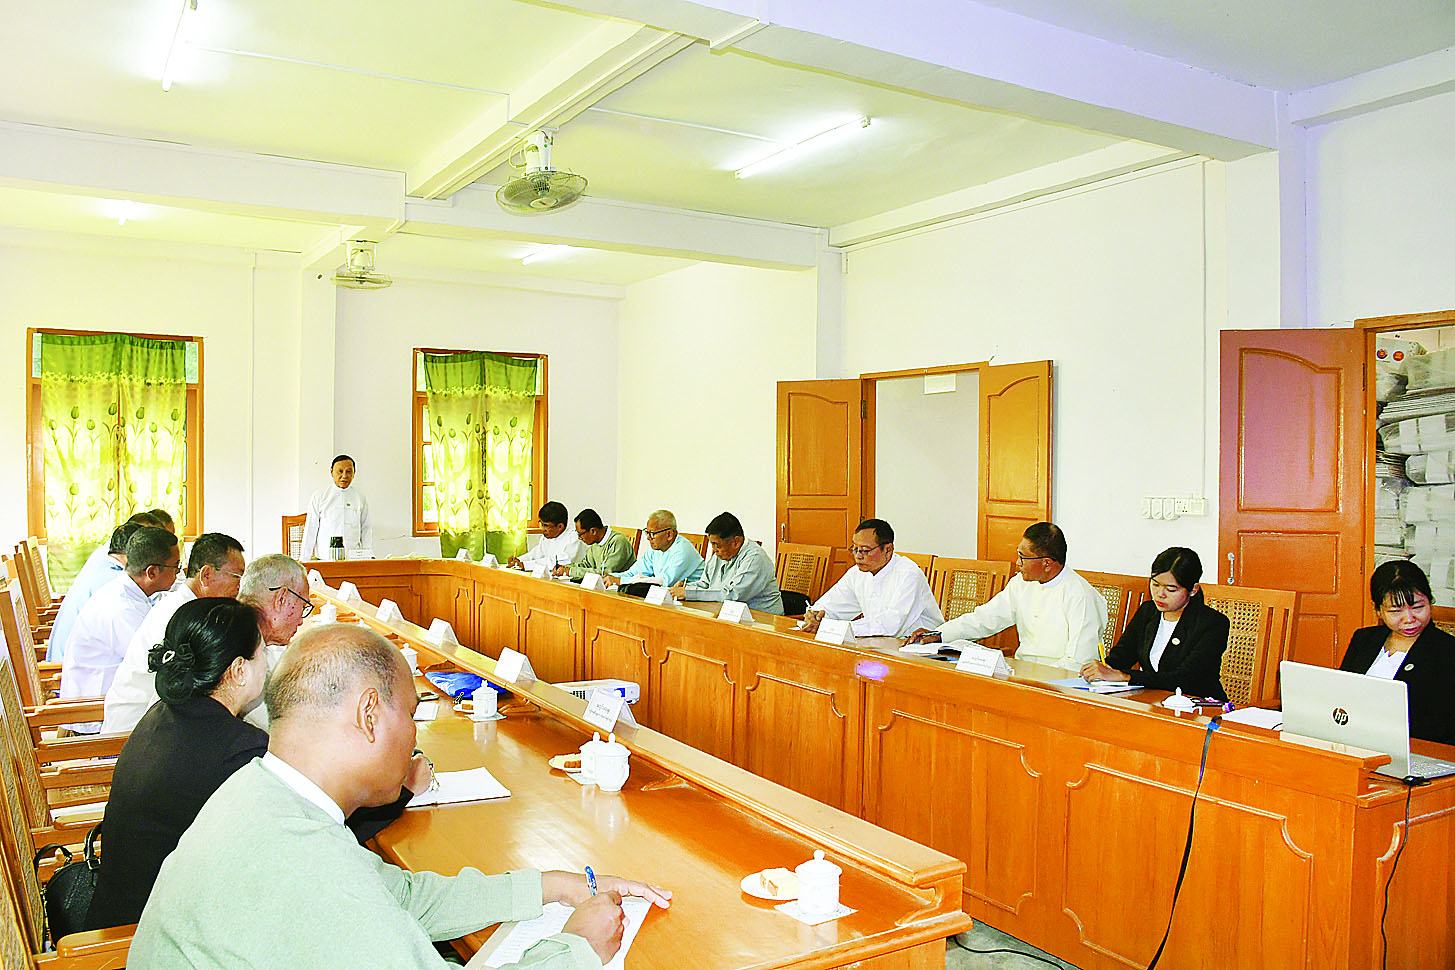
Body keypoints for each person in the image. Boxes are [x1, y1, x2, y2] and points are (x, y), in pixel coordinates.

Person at [130, 623, 671, 969]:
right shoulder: (307, 865)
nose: (414, 736)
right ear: (369, 714)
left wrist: (550, 886)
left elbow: (401, 898)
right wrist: (577, 948)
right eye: (410, 714)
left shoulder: (263, 791)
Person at [88, 599, 430, 931]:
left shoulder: (165, 713)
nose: (268, 664)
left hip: (119, 907)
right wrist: (404, 790)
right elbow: (317, 833)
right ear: (239, 670)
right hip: (140, 933)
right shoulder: (240, 753)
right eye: (263, 652)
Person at [908, 522, 1106, 671]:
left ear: (1047, 563)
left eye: (1023, 557)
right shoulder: (1021, 584)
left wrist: (1035, 681)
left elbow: (1078, 662)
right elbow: (984, 618)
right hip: (1022, 673)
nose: (1017, 563)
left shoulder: (1081, 596)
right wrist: (940, 634)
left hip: (1058, 684)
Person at [102, 533, 247, 734]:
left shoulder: (189, 607)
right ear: (206, 575)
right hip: (134, 731)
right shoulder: (181, 616)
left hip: (156, 723)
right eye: (236, 576)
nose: (239, 587)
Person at [60, 527, 180, 728]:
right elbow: (155, 662)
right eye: (175, 566)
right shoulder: (121, 609)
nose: (179, 572)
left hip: (109, 700)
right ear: (151, 572)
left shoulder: (129, 592)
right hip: (95, 716)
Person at [1080, 547, 1230, 698]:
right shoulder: (1148, 611)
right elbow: (1122, 655)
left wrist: (1126, 676)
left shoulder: (1213, 624)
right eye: (1155, 584)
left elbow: (1185, 678)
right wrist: (1103, 668)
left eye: (1171, 589)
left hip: (1197, 703)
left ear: (1193, 590)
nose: (1160, 594)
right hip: (1154, 700)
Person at [1338, 560, 1455, 746]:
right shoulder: (1364, 639)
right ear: (1378, 610)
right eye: (1395, 611)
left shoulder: (1447, 651)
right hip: (1353, 741)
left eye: (1418, 607)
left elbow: (1442, 725)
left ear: (1430, 602)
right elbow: (1341, 694)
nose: (1409, 619)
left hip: (1414, 748)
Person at [801, 519, 943, 638]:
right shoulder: (857, 573)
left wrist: (836, 628)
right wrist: (816, 616)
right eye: (855, 549)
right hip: (879, 643)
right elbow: (832, 605)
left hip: (919, 647)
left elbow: (890, 626)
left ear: (888, 550)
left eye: (865, 550)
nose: (858, 556)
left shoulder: (908, 573)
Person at [235, 553, 315, 729]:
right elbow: (280, 727)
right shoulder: (243, 643)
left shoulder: (243, 627)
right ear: (281, 598)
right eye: (303, 606)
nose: (301, 621)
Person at [46, 520, 144, 662]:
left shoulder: (104, 563)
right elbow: (137, 648)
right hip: (64, 665)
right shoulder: (112, 580)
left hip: (70, 657)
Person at [670, 512, 783, 614]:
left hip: (763, 621)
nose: (714, 550)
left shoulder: (754, 558)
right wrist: (685, 588)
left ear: (736, 542)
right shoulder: (720, 555)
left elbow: (733, 595)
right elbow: (705, 584)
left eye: (718, 545)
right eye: (712, 545)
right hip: (729, 615)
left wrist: (689, 593)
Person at [603, 510, 704, 588]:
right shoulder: (655, 549)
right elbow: (633, 573)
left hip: (692, 602)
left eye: (652, 533)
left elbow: (664, 582)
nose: (648, 538)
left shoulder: (683, 550)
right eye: (647, 533)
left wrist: (621, 581)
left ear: (669, 534)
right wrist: (608, 576)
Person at [300, 454, 372, 560]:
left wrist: (368, 556)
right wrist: (304, 560)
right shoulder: (320, 496)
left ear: (354, 473)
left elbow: (366, 529)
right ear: (332, 472)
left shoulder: (360, 498)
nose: (344, 476)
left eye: (348, 471)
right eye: (340, 471)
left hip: (353, 559)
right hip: (325, 559)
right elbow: (311, 528)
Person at [555, 509, 635, 580]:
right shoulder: (594, 544)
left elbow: (604, 573)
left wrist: (571, 571)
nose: (579, 538)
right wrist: (565, 568)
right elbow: (586, 565)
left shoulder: (618, 542)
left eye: (580, 534)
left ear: (593, 531)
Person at [510, 502, 584, 571]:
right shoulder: (547, 537)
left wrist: (526, 565)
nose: (542, 529)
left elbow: (559, 562)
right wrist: (519, 560)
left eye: (546, 525)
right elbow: (535, 554)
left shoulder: (574, 537)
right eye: (541, 524)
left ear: (560, 526)